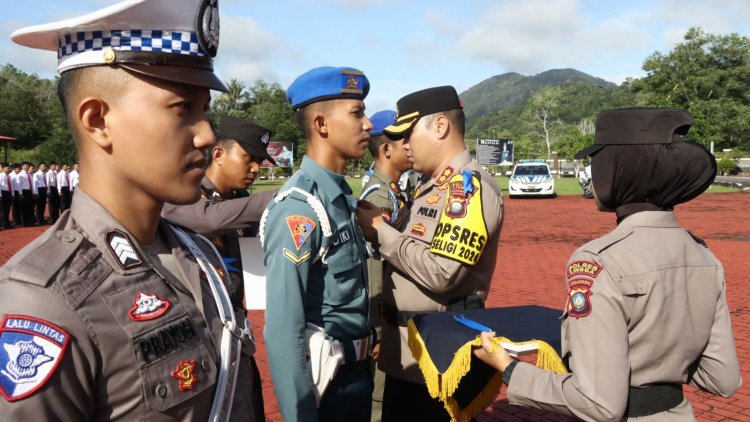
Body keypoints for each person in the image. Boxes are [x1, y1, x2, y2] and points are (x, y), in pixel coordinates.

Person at [0, 0, 262, 420]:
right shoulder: (43, 302)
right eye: (182, 109)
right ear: (98, 120)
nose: (206, 135)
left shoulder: (200, 255)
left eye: (205, 111)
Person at [473, 108, 742, 421]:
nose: (592, 171)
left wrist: (508, 369)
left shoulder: (598, 261)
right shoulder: (705, 258)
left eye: (597, 160)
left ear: (620, 169)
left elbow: (599, 403)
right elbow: (722, 378)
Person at [355, 85, 505, 421]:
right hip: (408, 359)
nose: (404, 145)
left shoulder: (467, 189)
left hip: (438, 363)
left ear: (440, 127)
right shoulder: (430, 186)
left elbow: (442, 274)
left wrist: (381, 232)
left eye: (408, 134)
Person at [260, 66, 374, 422]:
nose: (368, 124)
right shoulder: (300, 208)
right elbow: (282, 331)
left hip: (356, 376)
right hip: (328, 388)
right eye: (357, 113)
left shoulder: (339, 198)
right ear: (321, 124)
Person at [162, 115, 279, 422]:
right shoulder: (184, 191)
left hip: (237, 334)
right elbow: (209, 219)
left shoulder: (240, 200)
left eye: (260, 161)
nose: (256, 168)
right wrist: (284, 196)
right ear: (218, 154)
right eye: (249, 158)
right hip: (194, 339)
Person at [360, 109, 412, 422]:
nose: (411, 145)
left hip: (394, 314)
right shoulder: (378, 196)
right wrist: (378, 331)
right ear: (386, 149)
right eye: (404, 140)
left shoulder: (393, 192)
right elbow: (373, 267)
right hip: (383, 317)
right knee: (379, 401)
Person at [0, 163, 12, 229]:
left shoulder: (9, 176)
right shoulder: (0, 176)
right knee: (3, 209)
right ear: (3, 168)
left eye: (9, 168)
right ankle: (3, 224)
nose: (9, 169)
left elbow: (11, 185)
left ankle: (7, 223)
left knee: (7, 209)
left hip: (8, 193)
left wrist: (12, 194)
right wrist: (0, 195)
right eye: (7, 168)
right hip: (3, 193)